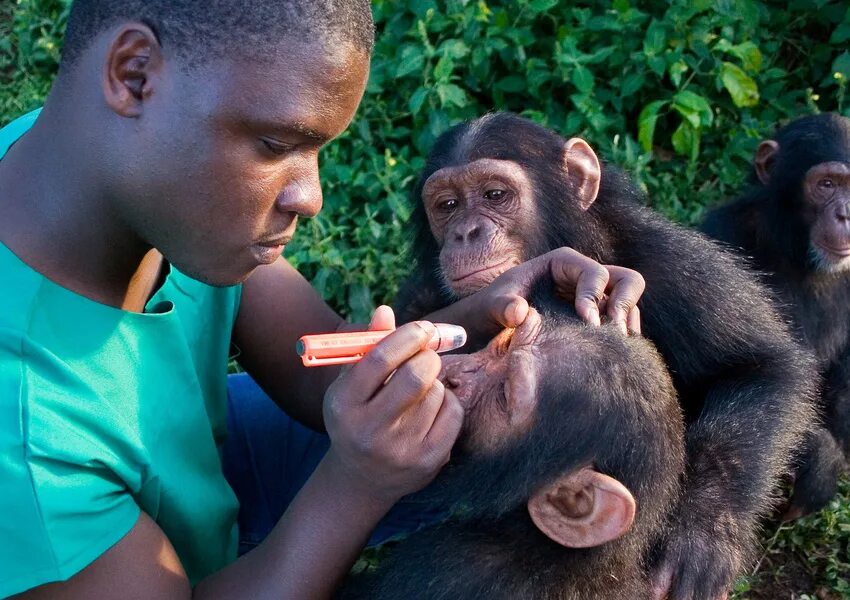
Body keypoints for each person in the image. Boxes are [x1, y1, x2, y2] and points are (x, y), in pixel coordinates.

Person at [0, 1, 644, 598]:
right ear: (134, 74)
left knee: (505, 441)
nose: (310, 198)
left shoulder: (112, 174)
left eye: (316, 150)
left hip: (195, 469)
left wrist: (480, 312)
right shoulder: (22, 444)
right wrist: (357, 484)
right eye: (276, 145)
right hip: (176, 569)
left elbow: (316, 371)